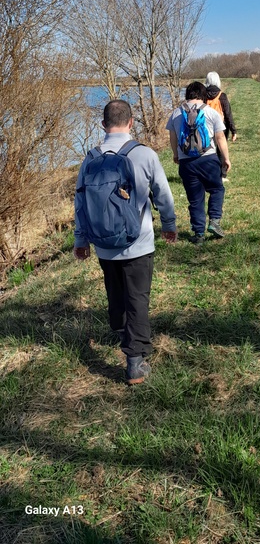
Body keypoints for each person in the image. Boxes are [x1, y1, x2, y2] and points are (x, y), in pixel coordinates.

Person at [74, 99, 177, 385]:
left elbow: (80, 202)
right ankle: (135, 361)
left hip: (104, 245)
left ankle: (122, 333)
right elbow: (164, 195)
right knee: (137, 299)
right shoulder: (144, 154)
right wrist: (169, 224)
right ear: (131, 122)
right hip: (139, 243)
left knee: (115, 293)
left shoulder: (90, 158)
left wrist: (80, 240)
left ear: (103, 125)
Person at [166, 81, 231, 245]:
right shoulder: (210, 112)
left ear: (187, 95)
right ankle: (214, 221)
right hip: (208, 158)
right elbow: (220, 137)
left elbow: (173, 137)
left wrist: (176, 154)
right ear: (203, 95)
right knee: (216, 188)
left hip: (187, 162)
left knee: (195, 199)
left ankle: (199, 234)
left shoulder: (175, 113)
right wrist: (226, 159)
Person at [205, 72, 237, 143]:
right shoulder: (222, 96)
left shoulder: (202, 96)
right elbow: (228, 114)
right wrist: (233, 131)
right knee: (220, 151)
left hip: (206, 127)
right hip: (221, 127)